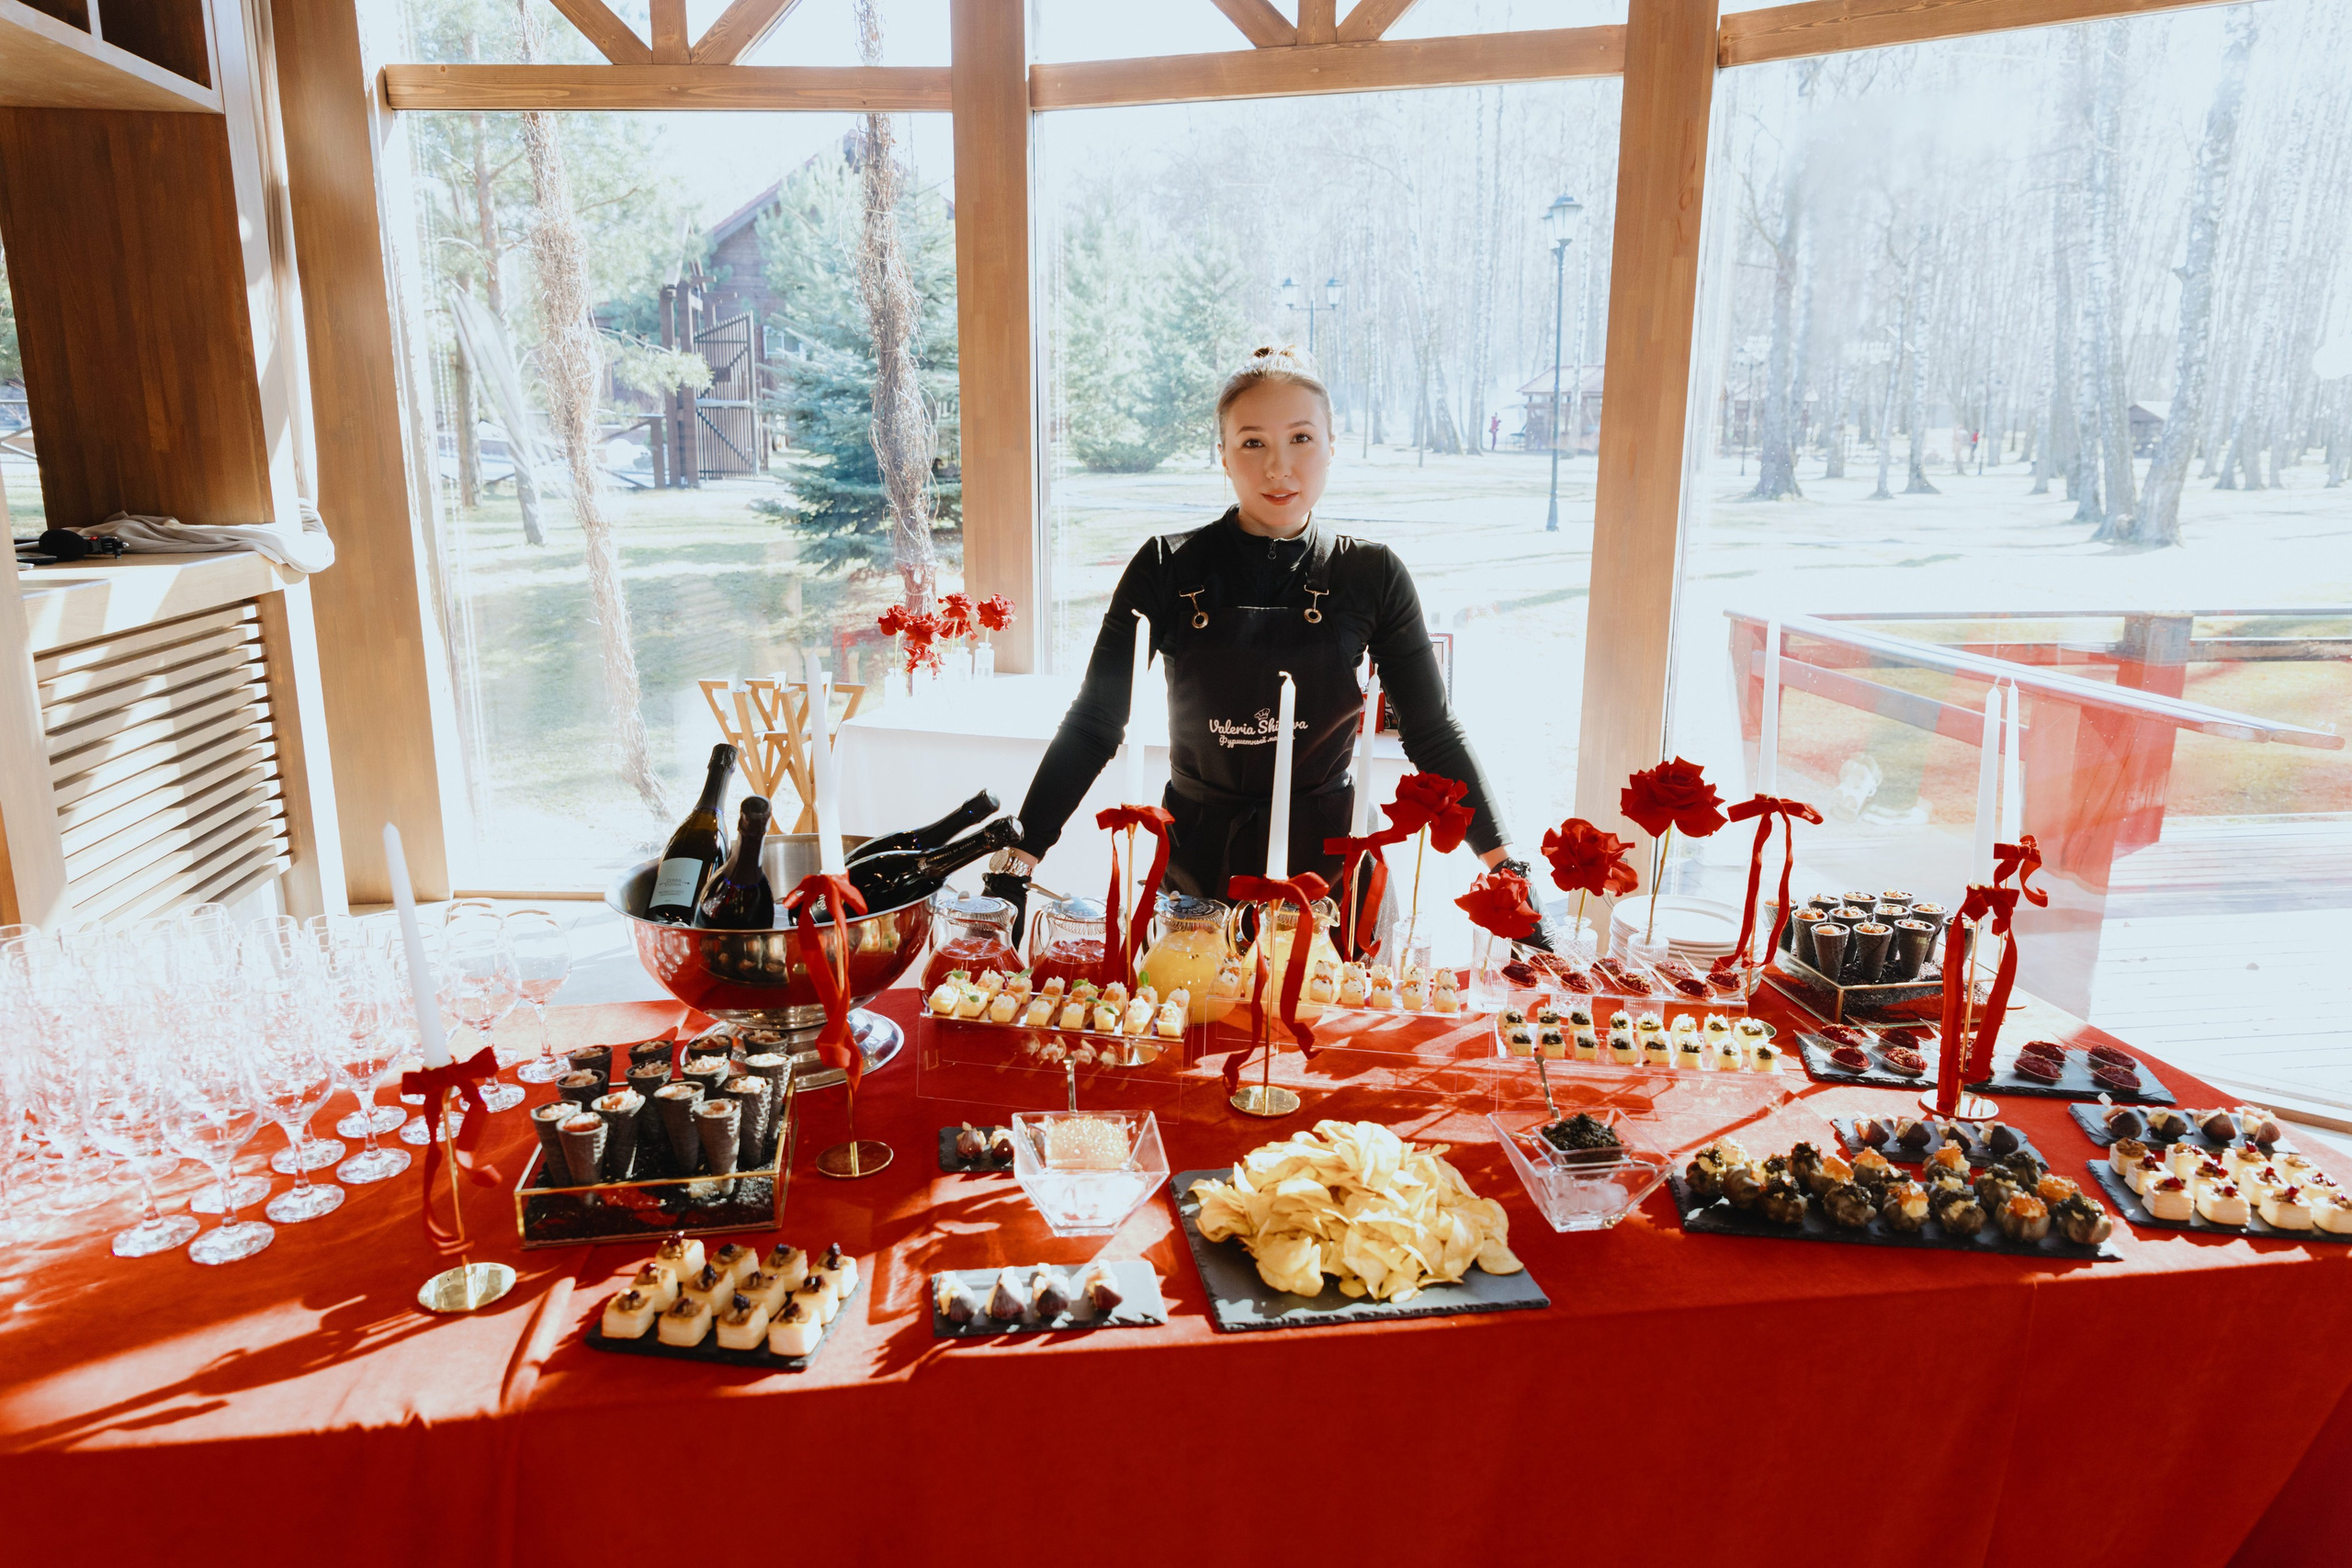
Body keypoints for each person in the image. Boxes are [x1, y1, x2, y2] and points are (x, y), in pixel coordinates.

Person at [983, 345, 1546, 946]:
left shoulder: (1372, 574)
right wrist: (1019, 856)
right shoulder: (1165, 566)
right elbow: (1096, 721)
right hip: (1194, 875)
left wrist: (1504, 864)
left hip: (1327, 877)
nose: (1279, 468)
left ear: (1333, 445)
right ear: (1222, 454)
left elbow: (1431, 730)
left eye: (1301, 438)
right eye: (1253, 442)